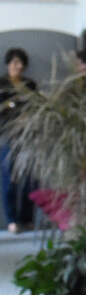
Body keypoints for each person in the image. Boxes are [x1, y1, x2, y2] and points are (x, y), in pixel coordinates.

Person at [0, 48, 36, 233]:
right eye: (14, 63)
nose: (18, 66)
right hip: (7, 136)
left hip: (28, 136)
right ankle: (12, 220)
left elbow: (37, 107)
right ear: (8, 64)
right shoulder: (2, 84)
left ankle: (27, 218)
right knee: (9, 179)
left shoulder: (30, 85)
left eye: (21, 63)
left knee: (30, 179)